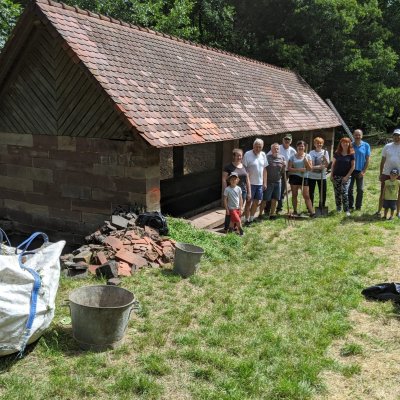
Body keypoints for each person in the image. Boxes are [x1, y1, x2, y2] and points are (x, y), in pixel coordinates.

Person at [222, 148, 251, 231]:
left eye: (240, 156)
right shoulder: (228, 167)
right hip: (231, 191)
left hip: (242, 191)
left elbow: (247, 180)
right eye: (237, 156)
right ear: (233, 156)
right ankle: (227, 227)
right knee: (230, 209)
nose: (239, 157)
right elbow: (224, 179)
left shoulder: (244, 167)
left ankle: (234, 227)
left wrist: (249, 192)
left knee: (239, 209)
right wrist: (225, 190)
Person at [243, 138, 268, 225]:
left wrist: (265, 182)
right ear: (253, 146)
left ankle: (251, 218)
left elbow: (264, 169)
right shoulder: (247, 154)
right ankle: (246, 219)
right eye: (256, 146)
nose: (257, 149)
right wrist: (247, 183)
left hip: (260, 183)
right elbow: (245, 170)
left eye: (259, 147)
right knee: (249, 202)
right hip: (250, 183)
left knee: (257, 201)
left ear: (262, 147)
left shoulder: (263, 155)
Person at [376, 128, 400, 217]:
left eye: (398, 135)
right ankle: (379, 211)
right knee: (383, 193)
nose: (397, 137)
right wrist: (381, 173)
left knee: (398, 194)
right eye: (395, 135)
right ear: (392, 136)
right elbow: (382, 161)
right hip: (386, 173)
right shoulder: (387, 146)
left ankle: (398, 212)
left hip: (399, 175)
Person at [287, 140, 315, 216]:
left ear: (304, 147)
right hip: (294, 177)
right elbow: (289, 168)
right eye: (299, 146)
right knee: (294, 194)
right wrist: (299, 170)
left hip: (304, 177)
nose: (301, 147)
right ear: (297, 147)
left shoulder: (308, 156)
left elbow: (310, 169)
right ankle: (295, 211)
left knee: (306, 195)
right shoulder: (292, 157)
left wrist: (306, 161)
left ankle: (311, 211)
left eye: (302, 146)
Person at [259, 143, 285, 220]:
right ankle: (260, 214)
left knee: (275, 198)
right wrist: (264, 182)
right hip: (269, 181)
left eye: (277, 148)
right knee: (265, 199)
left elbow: (283, 171)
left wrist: (284, 166)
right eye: (274, 148)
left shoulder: (282, 158)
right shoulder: (267, 157)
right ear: (271, 149)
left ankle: (272, 214)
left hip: (278, 181)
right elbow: (264, 169)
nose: (276, 150)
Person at [330, 137, 355, 216]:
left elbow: (353, 166)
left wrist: (347, 176)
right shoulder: (337, 153)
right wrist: (331, 175)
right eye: (343, 142)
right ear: (340, 144)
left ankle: (346, 209)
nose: (345, 144)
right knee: (337, 193)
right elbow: (333, 165)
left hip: (346, 177)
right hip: (336, 176)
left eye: (347, 142)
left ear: (349, 144)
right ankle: (338, 207)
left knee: (344, 193)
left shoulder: (351, 154)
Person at [349, 129, 370, 211]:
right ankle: (350, 206)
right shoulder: (350, 145)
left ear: (362, 136)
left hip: (360, 171)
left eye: (359, 135)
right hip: (350, 170)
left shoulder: (366, 145)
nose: (357, 136)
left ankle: (358, 206)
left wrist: (363, 171)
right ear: (353, 135)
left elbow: (367, 159)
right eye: (356, 135)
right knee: (349, 189)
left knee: (360, 190)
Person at [277, 134, 296, 212]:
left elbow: (295, 160)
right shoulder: (278, 148)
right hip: (278, 171)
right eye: (285, 139)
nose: (287, 141)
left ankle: (279, 207)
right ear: (283, 140)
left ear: (291, 141)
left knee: (282, 189)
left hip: (287, 171)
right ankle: (270, 207)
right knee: (277, 188)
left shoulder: (292, 150)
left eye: (288, 140)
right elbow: (269, 156)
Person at [308, 137, 329, 209]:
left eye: (320, 143)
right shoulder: (311, 153)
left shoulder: (325, 152)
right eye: (317, 143)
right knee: (311, 192)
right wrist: (318, 167)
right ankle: (310, 207)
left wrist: (325, 159)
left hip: (322, 176)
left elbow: (326, 165)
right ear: (314, 144)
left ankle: (322, 206)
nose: (319, 144)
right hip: (311, 176)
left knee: (322, 192)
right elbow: (310, 165)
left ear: (322, 144)